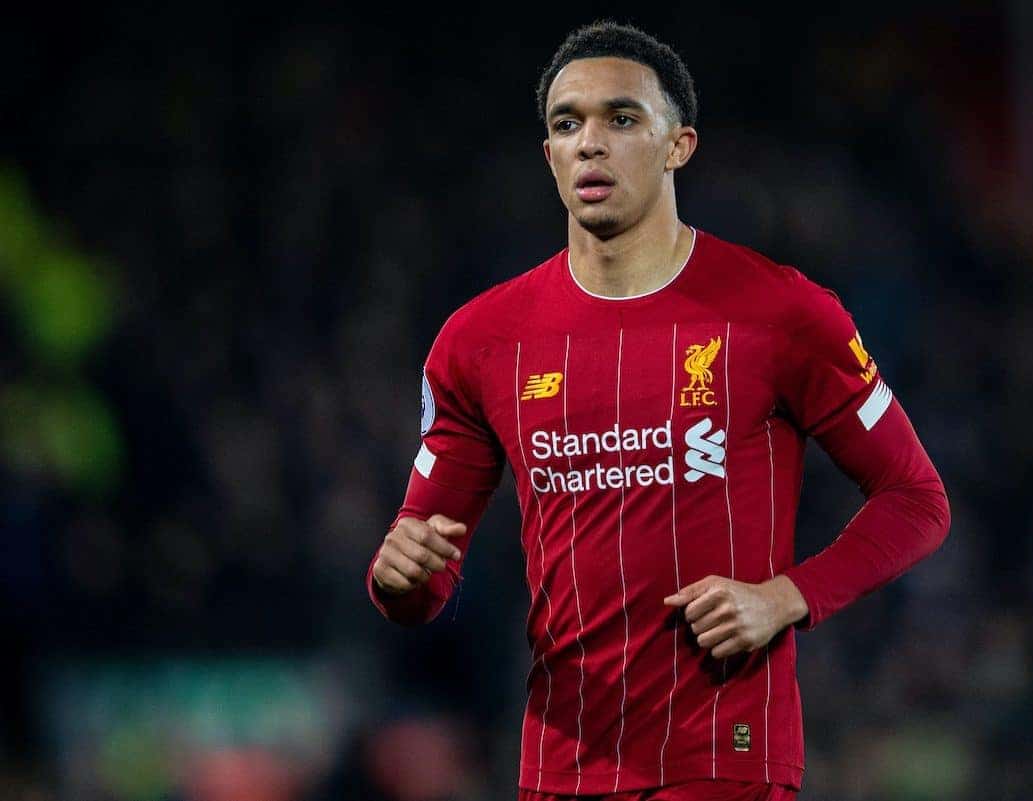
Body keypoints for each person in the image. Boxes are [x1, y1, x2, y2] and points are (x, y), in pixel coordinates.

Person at [367, 19, 951, 801]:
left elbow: (918, 499)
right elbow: (421, 584)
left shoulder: (780, 313)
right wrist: (397, 572)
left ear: (679, 145)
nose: (590, 142)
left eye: (622, 118)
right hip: (562, 767)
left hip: (726, 761)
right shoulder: (480, 342)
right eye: (567, 124)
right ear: (549, 156)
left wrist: (785, 597)